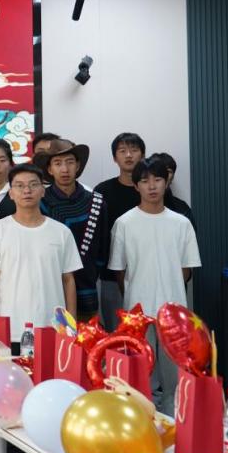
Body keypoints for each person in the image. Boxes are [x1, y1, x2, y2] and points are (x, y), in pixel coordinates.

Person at [108, 157, 201, 414]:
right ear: (135, 185)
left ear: (166, 182)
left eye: (157, 179)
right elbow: (119, 270)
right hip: (138, 314)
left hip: (174, 314)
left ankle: (174, 425)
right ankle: (145, 424)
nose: (152, 186)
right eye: (145, 181)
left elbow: (187, 268)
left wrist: (170, 290)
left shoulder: (181, 223)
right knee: (141, 377)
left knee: (176, 378)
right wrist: (135, 295)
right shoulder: (124, 223)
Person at [0, 164, 81, 348]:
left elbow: (68, 280)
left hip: (53, 329)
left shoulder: (61, 232)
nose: (27, 190)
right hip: (11, 329)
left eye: (33, 184)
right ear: (11, 193)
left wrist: (70, 327)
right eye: (19, 186)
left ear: (43, 191)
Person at [35, 140, 110, 322]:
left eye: (69, 162)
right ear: (49, 169)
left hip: (87, 291)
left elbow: (103, 250)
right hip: (48, 291)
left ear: (77, 166)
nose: (64, 169)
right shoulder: (39, 203)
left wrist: (90, 273)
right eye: (58, 163)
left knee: (87, 338)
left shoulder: (97, 202)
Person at [94, 132, 145, 330]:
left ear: (142, 154)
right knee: (114, 333)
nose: (129, 155)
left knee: (146, 333)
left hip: (145, 272)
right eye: (122, 151)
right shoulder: (102, 191)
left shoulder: (151, 190)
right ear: (115, 158)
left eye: (134, 150)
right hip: (110, 274)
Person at [150, 152, 195, 225]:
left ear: (173, 177)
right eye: (159, 170)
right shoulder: (137, 205)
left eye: (168, 171)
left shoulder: (182, 208)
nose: (164, 175)